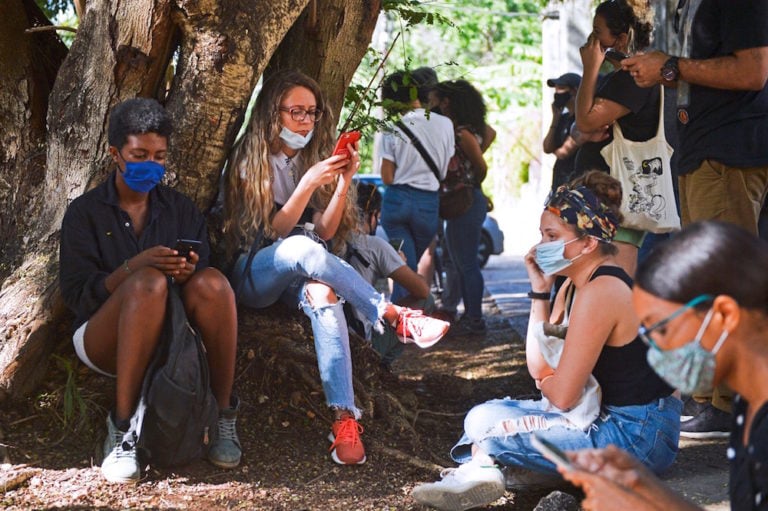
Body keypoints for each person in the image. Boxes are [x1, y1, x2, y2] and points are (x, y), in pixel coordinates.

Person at [411, 171, 681, 511]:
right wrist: (539, 291)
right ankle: (491, 470)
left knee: (485, 427)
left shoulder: (603, 290)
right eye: (541, 234)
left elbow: (562, 394)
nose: (540, 246)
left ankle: (486, 469)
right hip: (606, 420)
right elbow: (539, 368)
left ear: (588, 242)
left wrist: (552, 382)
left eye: (552, 235)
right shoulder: (572, 286)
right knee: (483, 415)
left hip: (637, 436)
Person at [221, 69, 450, 466]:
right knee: (298, 246)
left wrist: (342, 181)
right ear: (272, 113)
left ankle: (344, 420)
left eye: (312, 113)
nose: (306, 122)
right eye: (296, 112)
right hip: (252, 273)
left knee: (324, 292)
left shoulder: (304, 160)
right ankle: (391, 313)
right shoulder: (249, 161)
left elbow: (324, 231)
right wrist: (308, 183)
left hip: (298, 269)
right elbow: (275, 230)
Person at [59, 98, 241, 483]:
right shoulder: (84, 213)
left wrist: (188, 270)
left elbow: (201, 273)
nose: (150, 165)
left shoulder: (180, 209)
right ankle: (122, 430)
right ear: (115, 154)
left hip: (170, 338)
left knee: (214, 283)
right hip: (101, 336)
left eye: (159, 156)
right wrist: (133, 268)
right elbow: (76, 295)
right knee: (146, 284)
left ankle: (223, 415)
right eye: (139, 155)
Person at [621, 0, 768, 439]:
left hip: (728, 151)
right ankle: (717, 397)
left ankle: (730, 403)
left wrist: (671, 67)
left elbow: (753, 71)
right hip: (704, 149)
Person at [560, 221, 768, 511]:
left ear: (724, 314)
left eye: (661, 330)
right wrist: (645, 491)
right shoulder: (748, 402)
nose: (654, 351)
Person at [573, 0, 660, 277]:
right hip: (606, 196)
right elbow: (582, 128)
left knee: (614, 280)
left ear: (621, 39)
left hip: (618, 199)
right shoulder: (619, 76)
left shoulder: (633, 78)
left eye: (598, 32)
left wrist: (590, 68)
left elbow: (585, 120)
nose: (591, 40)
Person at [378, 70, 455, 302]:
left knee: (403, 268)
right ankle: (409, 324)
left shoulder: (392, 128)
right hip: (428, 204)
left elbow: (387, 177)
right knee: (408, 270)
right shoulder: (445, 124)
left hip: (397, 201)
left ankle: (401, 327)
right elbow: (448, 165)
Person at [341, 181, 434, 369]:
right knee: (427, 302)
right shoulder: (374, 245)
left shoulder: (331, 239)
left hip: (329, 335)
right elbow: (422, 291)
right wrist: (400, 264)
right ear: (373, 215)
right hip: (361, 342)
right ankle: (381, 367)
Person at [428, 79, 494, 334]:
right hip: (466, 200)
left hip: (465, 201)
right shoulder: (464, 129)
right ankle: (472, 317)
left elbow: (482, 166)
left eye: (435, 101)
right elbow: (490, 133)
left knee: (465, 263)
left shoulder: (461, 132)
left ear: (447, 103)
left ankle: (475, 319)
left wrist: (470, 182)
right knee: (459, 261)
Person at [543, 72, 581, 192]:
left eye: (561, 88)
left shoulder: (581, 120)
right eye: (556, 89)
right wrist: (555, 118)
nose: (557, 93)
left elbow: (563, 153)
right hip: (558, 183)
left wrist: (557, 150)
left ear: (574, 91)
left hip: (574, 182)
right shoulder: (563, 118)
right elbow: (547, 147)